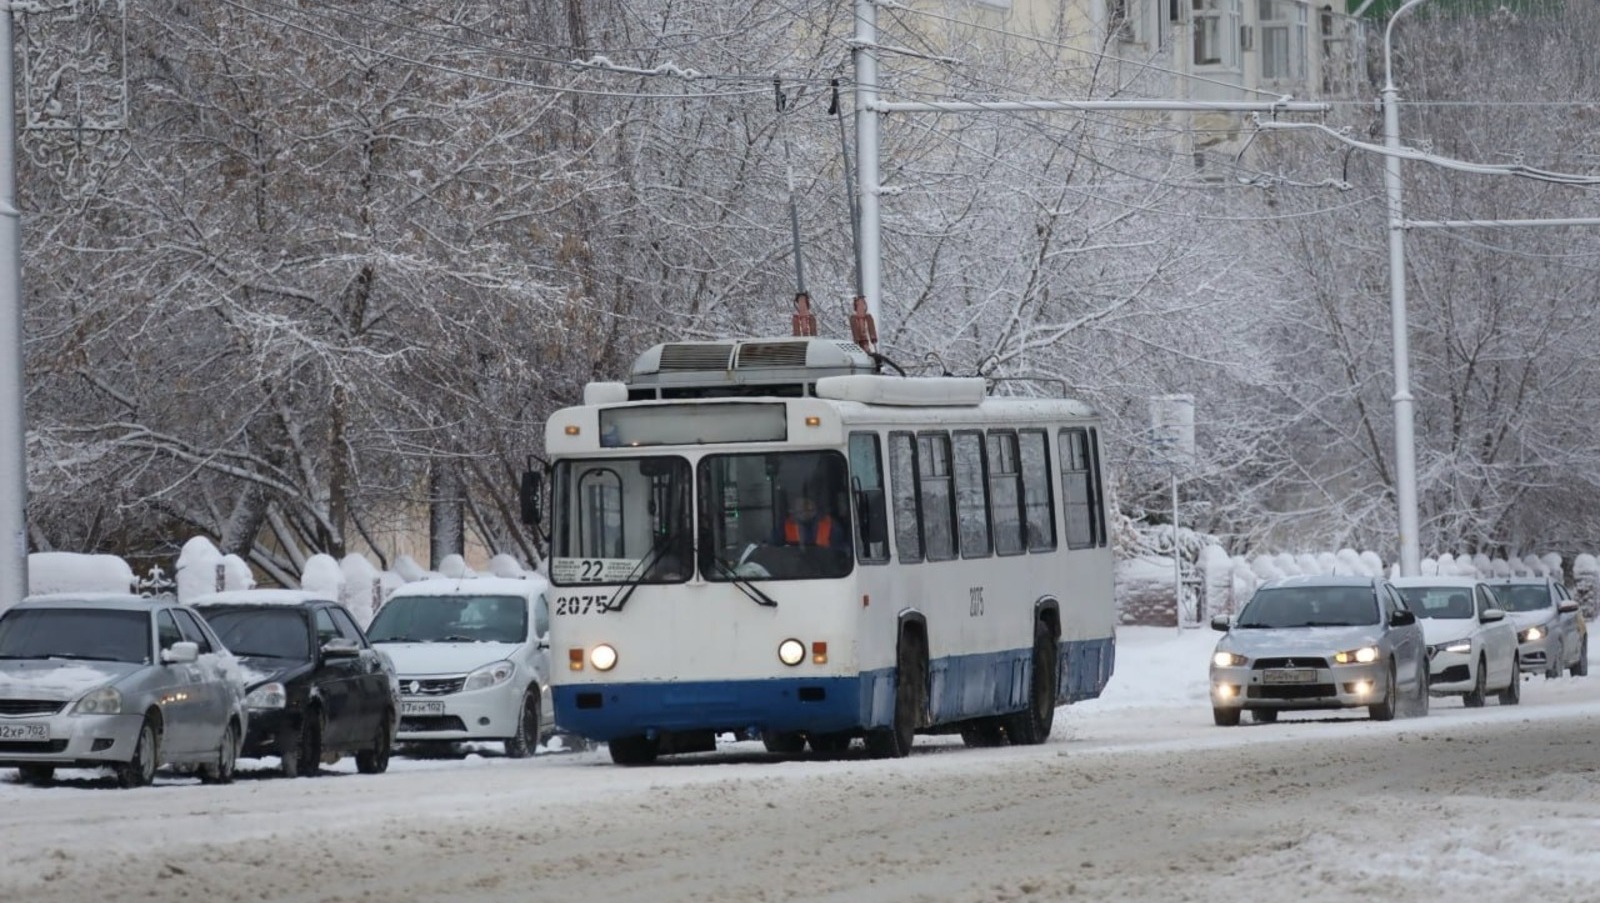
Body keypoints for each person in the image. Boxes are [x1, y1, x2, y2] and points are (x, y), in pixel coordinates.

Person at [771, 492, 850, 550]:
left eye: (807, 504)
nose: (804, 509)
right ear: (793, 509)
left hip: (826, 568)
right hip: (793, 568)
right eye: (800, 506)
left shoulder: (830, 525)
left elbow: (842, 551)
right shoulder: (785, 526)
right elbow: (773, 548)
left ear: (815, 505)